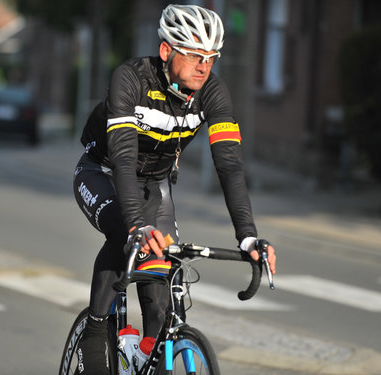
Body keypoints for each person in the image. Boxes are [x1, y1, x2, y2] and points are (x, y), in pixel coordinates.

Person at [72, 4, 277, 374]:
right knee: (124, 233)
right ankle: (95, 331)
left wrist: (248, 237)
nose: (204, 65)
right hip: (102, 171)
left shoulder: (213, 92)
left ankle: (152, 358)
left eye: (212, 57)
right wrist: (137, 225)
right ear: (167, 51)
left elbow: (229, 165)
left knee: (161, 280)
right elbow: (122, 157)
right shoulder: (130, 78)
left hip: (156, 184)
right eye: (195, 55)